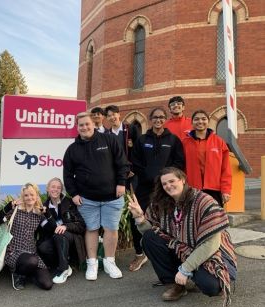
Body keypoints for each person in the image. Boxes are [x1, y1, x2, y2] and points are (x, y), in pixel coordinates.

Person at [127, 167, 237, 306]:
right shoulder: (160, 204)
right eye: (164, 184)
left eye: (172, 181)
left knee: (211, 286)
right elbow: (153, 235)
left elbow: (211, 244)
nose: (168, 186)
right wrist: (140, 218)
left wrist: (185, 269)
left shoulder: (203, 202)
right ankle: (175, 285)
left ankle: (193, 275)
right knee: (149, 238)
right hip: (182, 248)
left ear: (183, 180)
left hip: (210, 252)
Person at [63, 112, 129, 281]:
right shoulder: (72, 149)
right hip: (87, 199)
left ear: (94, 124)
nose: (84, 127)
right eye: (81, 125)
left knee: (111, 229)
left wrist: (121, 182)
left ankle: (109, 262)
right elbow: (68, 175)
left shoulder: (109, 140)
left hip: (112, 197)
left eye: (87, 124)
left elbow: (122, 163)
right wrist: (74, 194)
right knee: (91, 229)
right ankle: (92, 263)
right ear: (77, 127)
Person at [129, 107, 185, 272]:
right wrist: (147, 175)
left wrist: (167, 179)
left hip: (166, 188)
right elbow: (135, 161)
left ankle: (168, 251)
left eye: (161, 117)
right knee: (137, 218)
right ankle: (140, 254)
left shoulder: (173, 140)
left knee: (168, 219)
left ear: (165, 119)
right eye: (155, 117)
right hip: (145, 187)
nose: (158, 120)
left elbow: (179, 163)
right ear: (150, 119)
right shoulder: (142, 139)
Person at [0, 183, 53, 291]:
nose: (29, 198)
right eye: (26, 195)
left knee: (47, 284)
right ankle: (17, 274)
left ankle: (28, 272)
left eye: (32, 194)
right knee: (32, 261)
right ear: (22, 197)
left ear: (36, 195)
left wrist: (47, 214)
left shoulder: (39, 213)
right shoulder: (15, 210)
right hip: (14, 251)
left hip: (31, 252)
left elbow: (51, 229)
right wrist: (8, 207)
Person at [37, 177, 86, 284]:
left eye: (59, 187)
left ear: (61, 190)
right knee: (43, 247)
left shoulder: (69, 203)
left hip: (71, 237)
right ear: (47, 189)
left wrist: (66, 226)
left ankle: (63, 269)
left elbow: (81, 225)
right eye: (53, 187)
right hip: (54, 238)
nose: (56, 189)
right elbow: (46, 229)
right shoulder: (43, 207)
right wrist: (45, 215)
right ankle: (64, 264)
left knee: (60, 234)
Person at [182, 110, 231, 206]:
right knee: (193, 219)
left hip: (214, 189)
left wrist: (226, 190)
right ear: (192, 123)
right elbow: (181, 168)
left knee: (214, 219)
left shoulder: (219, 142)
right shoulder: (185, 143)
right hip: (192, 189)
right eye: (196, 119)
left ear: (208, 122)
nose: (200, 121)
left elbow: (226, 169)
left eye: (203, 119)